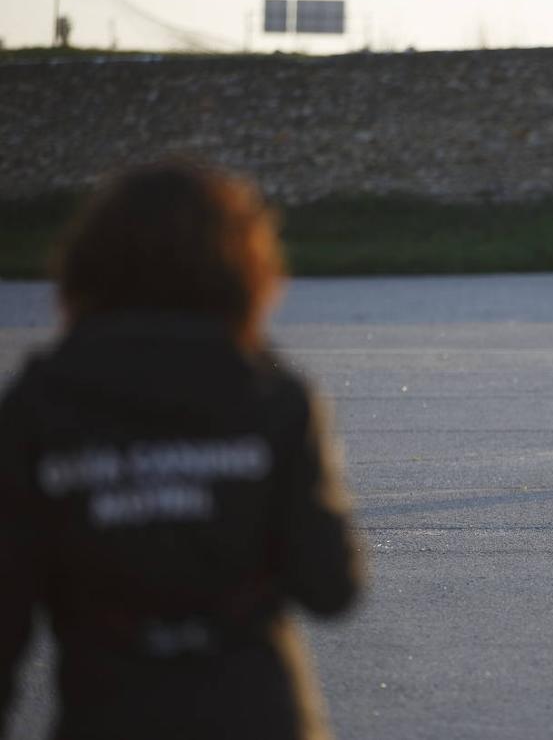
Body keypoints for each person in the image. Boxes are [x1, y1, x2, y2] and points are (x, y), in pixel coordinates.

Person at [0, 160, 364, 740]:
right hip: (256, 714)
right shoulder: (271, 395)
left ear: (88, 264)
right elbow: (331, 588)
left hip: (109, 715)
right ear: (244, 266)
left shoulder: (39, 404)